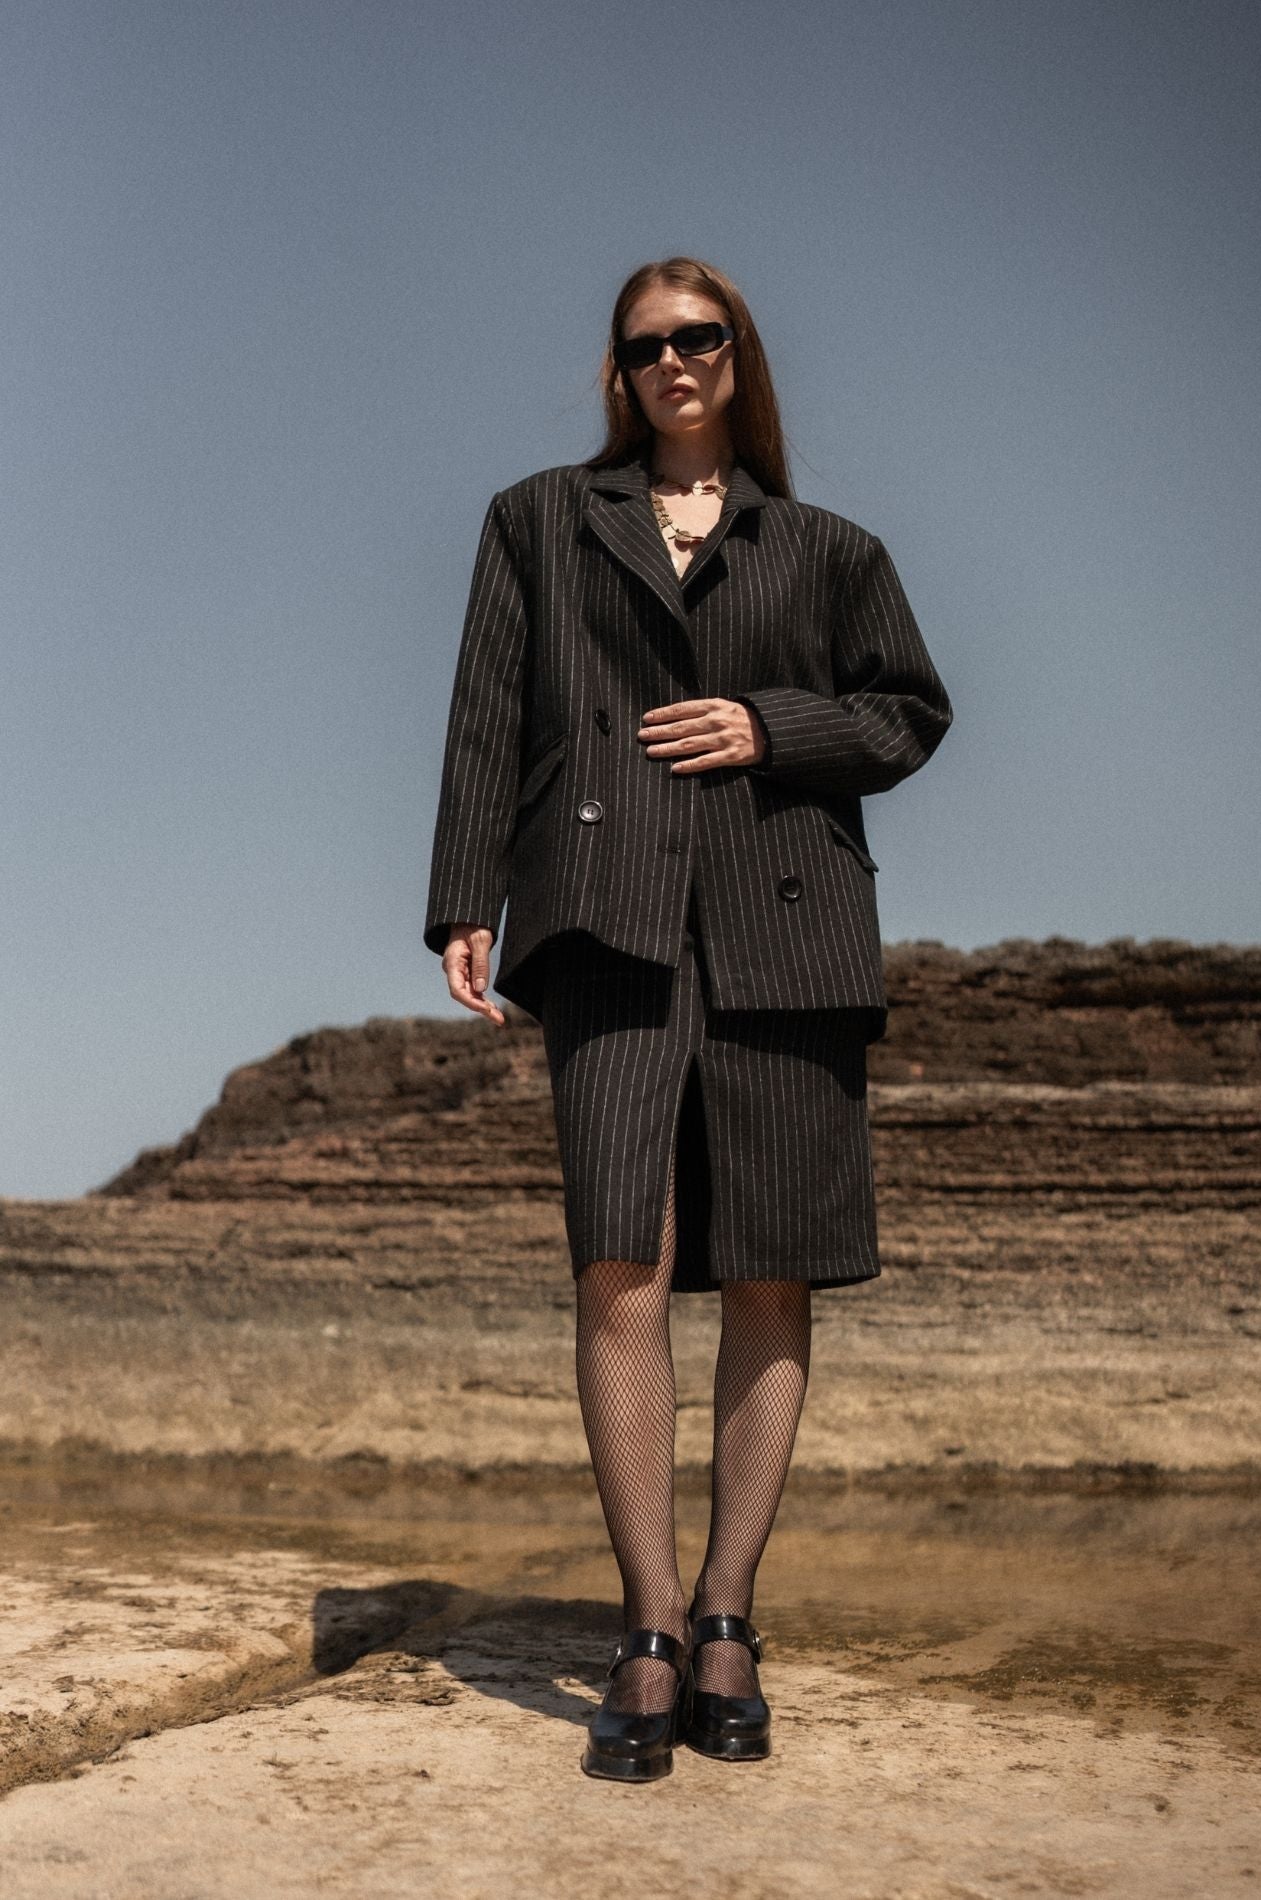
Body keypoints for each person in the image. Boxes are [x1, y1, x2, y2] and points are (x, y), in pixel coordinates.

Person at [423, 256, 953, 1782]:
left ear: (738, 356)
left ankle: (729, 1615)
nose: (674, 361)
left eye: (699, 337)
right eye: (647, 343)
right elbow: (488, 709)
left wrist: (767, 725)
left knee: (773, 1273)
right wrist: (464, 895)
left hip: (790, 923)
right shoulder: (537, 520)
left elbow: (910, 712)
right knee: (620, 1264)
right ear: (621, 370)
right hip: (603, 917)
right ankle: (649, 1626)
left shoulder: (831, 549)